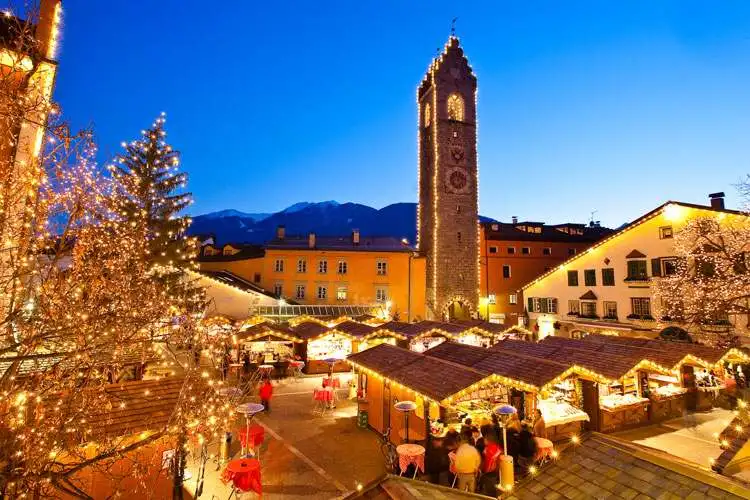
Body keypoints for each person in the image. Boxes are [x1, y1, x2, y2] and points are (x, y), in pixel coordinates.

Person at [478, 429, 502, 495]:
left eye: (484, 440)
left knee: (490, 487)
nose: (484, 441)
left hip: (489, 471)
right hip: (496, 470)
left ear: (488, 440)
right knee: (492, 484)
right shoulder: (498, 447)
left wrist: (483, 470)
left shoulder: (488, 449)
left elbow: (487, 461)